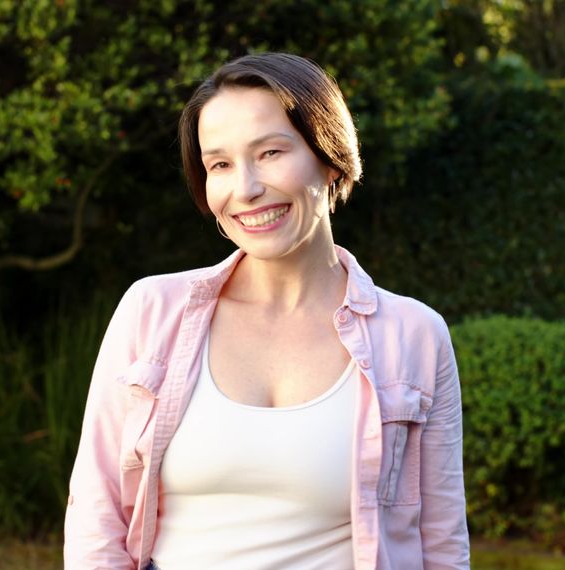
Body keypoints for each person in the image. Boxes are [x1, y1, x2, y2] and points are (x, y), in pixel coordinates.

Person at [64, 52, 469, 570]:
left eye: (271, 152)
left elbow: (441, 543)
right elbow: (96, 517)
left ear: (329, 155)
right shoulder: (150, 311)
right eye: (220, 165)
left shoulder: (414, 335)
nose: (246, 189)